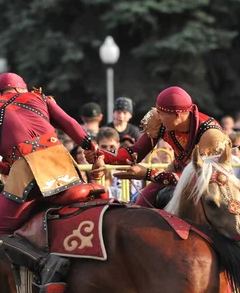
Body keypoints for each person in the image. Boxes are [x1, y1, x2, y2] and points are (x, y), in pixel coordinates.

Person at [0, 73, 96, 293]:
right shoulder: (40, 97)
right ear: (22, 88)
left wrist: (3, 166)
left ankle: (44, 264)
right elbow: (72, 124)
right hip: (65, 169)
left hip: (28, 174)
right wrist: (91, 148)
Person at [86, 86, 228, 207]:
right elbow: (135, 151)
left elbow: (200, 178)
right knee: (139, 208)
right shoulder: (161, 119)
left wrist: (147, 174)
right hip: (175, 173)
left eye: (161, 113)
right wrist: (100, 155)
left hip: (210, 186)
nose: (157, 116)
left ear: (177, 115)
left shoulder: (211, 135)